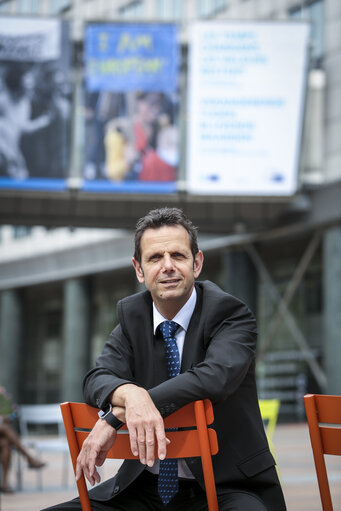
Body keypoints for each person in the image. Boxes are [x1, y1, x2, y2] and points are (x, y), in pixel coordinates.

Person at [43, 207, 286, 510]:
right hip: (144, 487)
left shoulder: (231, 315)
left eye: (178, 256)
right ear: (139, 270)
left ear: (196, 263)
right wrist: (131, 394)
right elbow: (97, 378)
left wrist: (116, 415)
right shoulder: (133, 318)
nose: (168, 266)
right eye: (155, 258)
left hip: (227, 485)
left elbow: (214, 378)